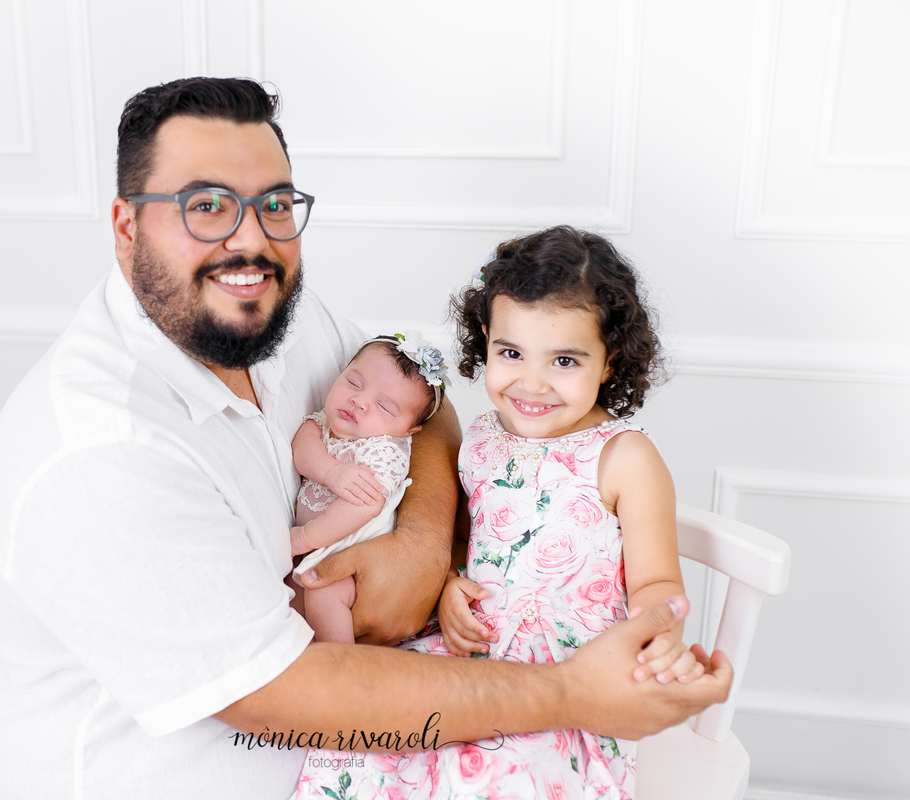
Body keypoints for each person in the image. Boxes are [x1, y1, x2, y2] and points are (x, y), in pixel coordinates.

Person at [0, 77, 732, 800]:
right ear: (127, 226)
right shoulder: (100, 450)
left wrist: (425, 543)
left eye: (275, 204)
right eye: (205, 205)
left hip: (362, 737)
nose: (249, 241)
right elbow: (279, 697)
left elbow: (426, 407)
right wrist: (569, 693)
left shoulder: (266, 313)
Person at [296, 226, 691, 799]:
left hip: (568, 674)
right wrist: (453, 586)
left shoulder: (625, 457)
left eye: (564, 360)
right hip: (470, 654)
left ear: (610, 361)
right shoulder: (481, 441)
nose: (531, 382)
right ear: (485, 341)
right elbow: (466, 546)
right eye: (510, 353)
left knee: (499, 779)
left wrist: (659, 639)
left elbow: (655, 581)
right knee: (354, 755)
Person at [290, 333, 449, 643]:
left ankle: (343, 665)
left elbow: (366, 504)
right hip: (320, 546)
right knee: (296, 598)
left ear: (409, 431)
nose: (359, 402)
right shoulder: (325, 422)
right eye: (354, 383)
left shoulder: (385, 450)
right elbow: (303, 445)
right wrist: (331, 471)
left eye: (385, 407)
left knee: (324, 594)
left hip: (357, 551)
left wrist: (305, 538)